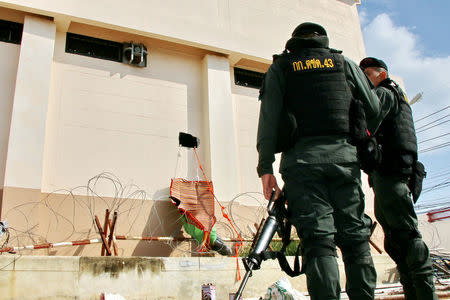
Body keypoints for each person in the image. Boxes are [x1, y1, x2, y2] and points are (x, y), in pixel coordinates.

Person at [257, 22, 382, 300]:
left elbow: (268, 120)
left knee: (319, 240)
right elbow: (374, 108)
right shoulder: (344, 63)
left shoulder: (282, 67)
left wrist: (265, 168)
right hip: (344, 162)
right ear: (322, 41)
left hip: (302, 166)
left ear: (294, 42)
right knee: (355, 238)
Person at [359, 57, 437, 300]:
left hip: (390, 176)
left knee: (407, 237)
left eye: (367, 75)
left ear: (381, 75)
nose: (364, 80)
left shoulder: (384, 92)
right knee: (396, 242)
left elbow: (368, 121)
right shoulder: (399, 96)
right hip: (392, 175)